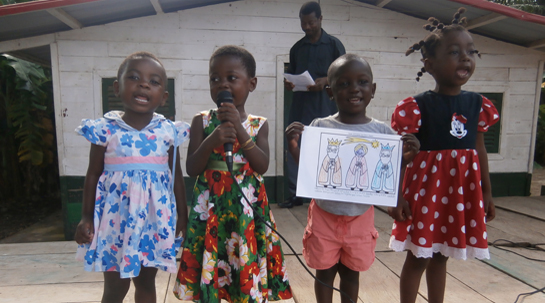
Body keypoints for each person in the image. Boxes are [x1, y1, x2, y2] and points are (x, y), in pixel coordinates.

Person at [285, 54, 420, 303]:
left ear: (373, 89)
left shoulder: (382, 133)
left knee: (351, 273)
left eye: (362, 82)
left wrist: (406, 160)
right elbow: (310, 170)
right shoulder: (319, 126)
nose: (354, 88)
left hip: (360, 217)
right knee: (324, 272)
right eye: (344, 84)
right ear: (330, 92)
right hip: (324, 215)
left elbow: (387, 171)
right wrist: (294, 148)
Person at [387, 8, 500, 303]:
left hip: (459, 194)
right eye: (454, 52)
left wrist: (486, 192)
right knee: (419, 258)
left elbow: (479, 150)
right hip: (426, 195)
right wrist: (396, 197)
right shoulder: (416, 107)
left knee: (441, 258)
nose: (465, 57)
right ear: (430, 64)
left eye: (470, 51)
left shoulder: (478, 105)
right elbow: (401, 157)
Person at [173, 45, 293, 302]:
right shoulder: (201, 121)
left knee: (244, 262)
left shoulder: (258, 124)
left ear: (251, 83)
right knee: (213, 261)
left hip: (245, 211)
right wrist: (212, 140)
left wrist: (239, 128)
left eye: (231, 78)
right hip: (211, 208)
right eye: (214, 79)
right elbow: (192, 168)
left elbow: (262, 166)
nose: (222, 84)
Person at [74, 51, 190, 303]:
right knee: (115, 289)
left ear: (164, 96)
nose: (144, 84)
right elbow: (93, 175)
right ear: (117, 87)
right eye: (134, 77)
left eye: (154, 81)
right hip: (115, 223)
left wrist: (183, 214)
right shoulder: (105, 130)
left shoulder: (169, 132)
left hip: (153, 221)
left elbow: (176, 176)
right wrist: (86, 217)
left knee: (146, 283)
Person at [280, 1, 346, 208]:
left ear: (320, 19)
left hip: (326, 106)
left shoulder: (335, 45)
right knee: (295, 144)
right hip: (300, 105)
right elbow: (293, 72)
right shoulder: (297, 48)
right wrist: (290, 83)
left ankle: (326, 192)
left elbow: (345, 74)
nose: (307, 27)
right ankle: (297, 194)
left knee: (327, 148)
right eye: (303, 23)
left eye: (311, 23)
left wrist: (326, 81)